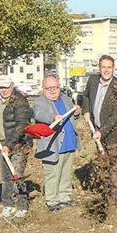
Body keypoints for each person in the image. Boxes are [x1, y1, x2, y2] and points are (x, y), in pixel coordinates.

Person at [32, 75, 81, 212]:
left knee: (66, 172)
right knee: (52, 174)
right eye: (49, 88)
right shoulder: (40, 102)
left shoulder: (65, 98)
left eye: (56, 87)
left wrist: (76, 113)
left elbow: (72, 115)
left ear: (60, 87)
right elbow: (39, 114)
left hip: (69, 143)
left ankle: (65, 197)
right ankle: (52, 200)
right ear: (43, 89)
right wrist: (52, 117)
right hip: (52, 146)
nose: (53, 90)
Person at [0, 76, 32, 218]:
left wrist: (9, 145)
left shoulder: (20, 101)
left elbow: (22, 125)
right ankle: (8, 205)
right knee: (6, 176)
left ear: (12, 86)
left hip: (18, 144)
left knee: (17, 175)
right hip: (1, 143)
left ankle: (22, 205)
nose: (4, 90)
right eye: (0, 87)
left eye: (6, 87)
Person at [80, 55, 117, 150]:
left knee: (114, 163)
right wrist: (86, 111)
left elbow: (116, 115)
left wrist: (102, 131)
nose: (106, 70)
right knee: (101, 161)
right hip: (97, 130)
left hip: (115, 136)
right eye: (103, 67)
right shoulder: (93, 80)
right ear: (99, 68)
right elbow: (85, 95)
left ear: (113, 68)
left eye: (109, 67)